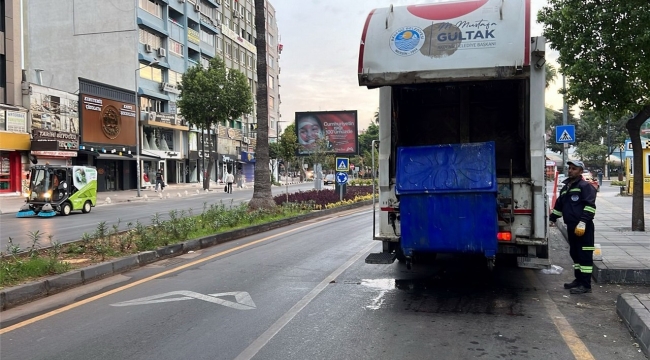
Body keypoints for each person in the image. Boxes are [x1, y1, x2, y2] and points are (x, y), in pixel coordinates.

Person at [549, 160, 597, 294]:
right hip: (571, 227)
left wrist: (583, 222)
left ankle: (586, 285)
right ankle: (578, 280)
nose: (570, 170)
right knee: (575, 254)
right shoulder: (566, 188)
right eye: (569, 168)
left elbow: (590, 207)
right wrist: (551, 219)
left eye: (574, 169)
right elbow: (559, 207)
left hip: (584, 228)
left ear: (581, 171)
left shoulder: (585, 186)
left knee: (584, 256)